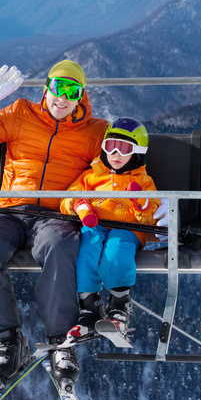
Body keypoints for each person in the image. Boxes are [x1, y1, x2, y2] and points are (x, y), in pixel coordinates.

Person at [0, 60, 107, 391]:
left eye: (72, 91)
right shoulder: (21, 114)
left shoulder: (95, 132)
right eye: (57, 88)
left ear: (81, 97)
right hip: (10, 209)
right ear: (46, 88)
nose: (62, 98)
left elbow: (110, 172)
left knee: (60, 245)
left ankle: (61, 340)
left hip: (55, 214)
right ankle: (7, 340)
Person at [60, 117, 161, 340]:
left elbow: (151, 213)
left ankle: (119, 304)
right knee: (86, 249)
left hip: (127, 228)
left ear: (136, 152)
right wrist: (78, 205)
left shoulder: (143, 181)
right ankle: (89, 305)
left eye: (124, 148)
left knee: (116, 250)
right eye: (110, 146)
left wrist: (141, 206)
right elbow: (68, 197)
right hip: (95, 225)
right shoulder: (92, 176)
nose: (115, 154)